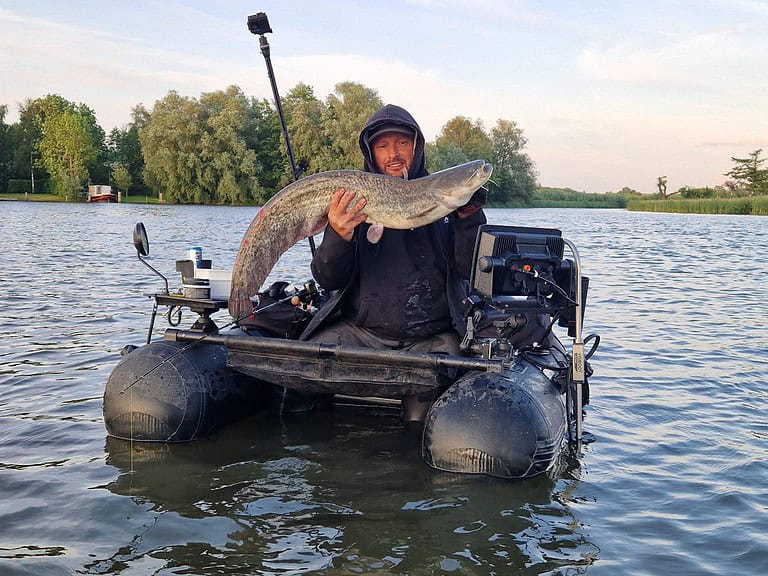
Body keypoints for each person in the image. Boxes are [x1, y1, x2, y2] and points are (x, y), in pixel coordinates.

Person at [295, 104, 488, 421]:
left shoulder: (449, 197)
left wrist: (468, 219)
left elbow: (471, 272)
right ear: (371, 152)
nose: (393, 153)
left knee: (423, 414)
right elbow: (328, 279)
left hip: (433, 337)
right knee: (298, 379)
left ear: (417, 146)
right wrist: (338, 234)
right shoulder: (352, 199)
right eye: (383, 145)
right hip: (362, 331)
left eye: (402, 143)